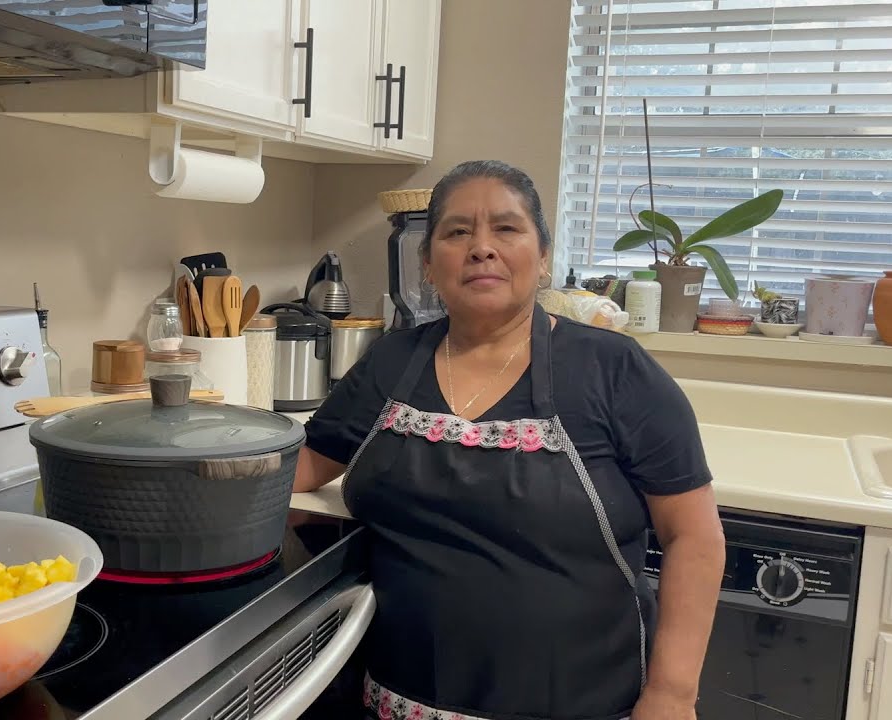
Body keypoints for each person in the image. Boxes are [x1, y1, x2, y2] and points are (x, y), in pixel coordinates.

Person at [294, 160, 725, 720]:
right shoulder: (391, 363)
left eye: (506, 228)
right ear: (427, 264)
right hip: (396, 701)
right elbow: (304, 467)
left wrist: (671, 696)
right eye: (456, 232)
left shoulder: (615, 371)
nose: (481, 248)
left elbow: (693, 536)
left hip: (586, 702)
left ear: (543, 256)